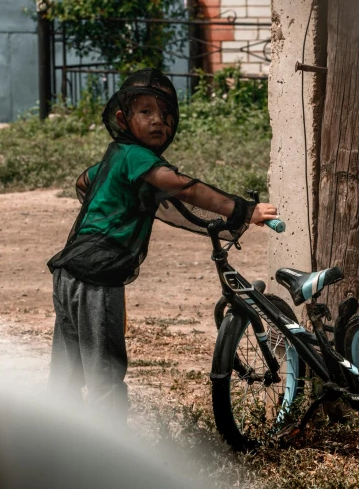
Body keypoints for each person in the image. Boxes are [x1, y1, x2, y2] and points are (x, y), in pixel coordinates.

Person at [46, 68, 278, 423]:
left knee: (68, 367)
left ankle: (57, 438)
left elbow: (84, 181)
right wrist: (244, 210)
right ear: (124, 118)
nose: (159, 121)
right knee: (104, 371)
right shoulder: (138, 157)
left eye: (166, 115)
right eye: (146, 112)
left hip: (68, 270)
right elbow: (183, 188)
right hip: (98, 275)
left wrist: (115, 206)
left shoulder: (116, 155)